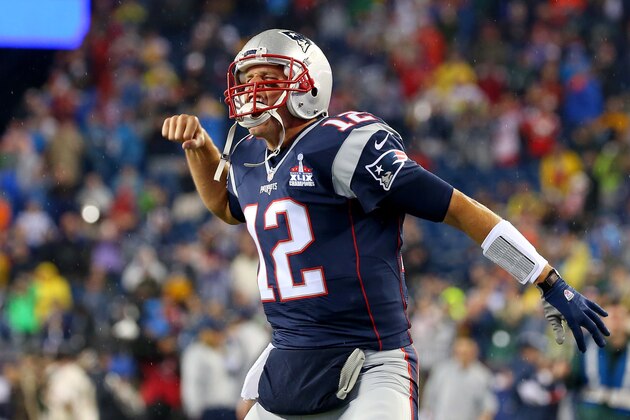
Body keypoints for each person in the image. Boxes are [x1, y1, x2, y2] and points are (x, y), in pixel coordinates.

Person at [162, 29, 610, 420]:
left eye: (269, 78)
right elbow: (226, 206)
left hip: (372, 362)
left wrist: (545, 278)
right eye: (247, 80)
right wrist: (200, 146)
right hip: (291, 358)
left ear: (307, 84)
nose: (252, 90)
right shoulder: (246, 157)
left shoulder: (342, 145)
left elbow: (456, 207)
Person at [420, 336, 497, 420]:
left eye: (466, 353)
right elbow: (429, 400)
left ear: (474, 353)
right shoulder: (441, 371)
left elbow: (488, 407)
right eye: (459, 353)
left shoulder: (482, 375)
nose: (462, 357)